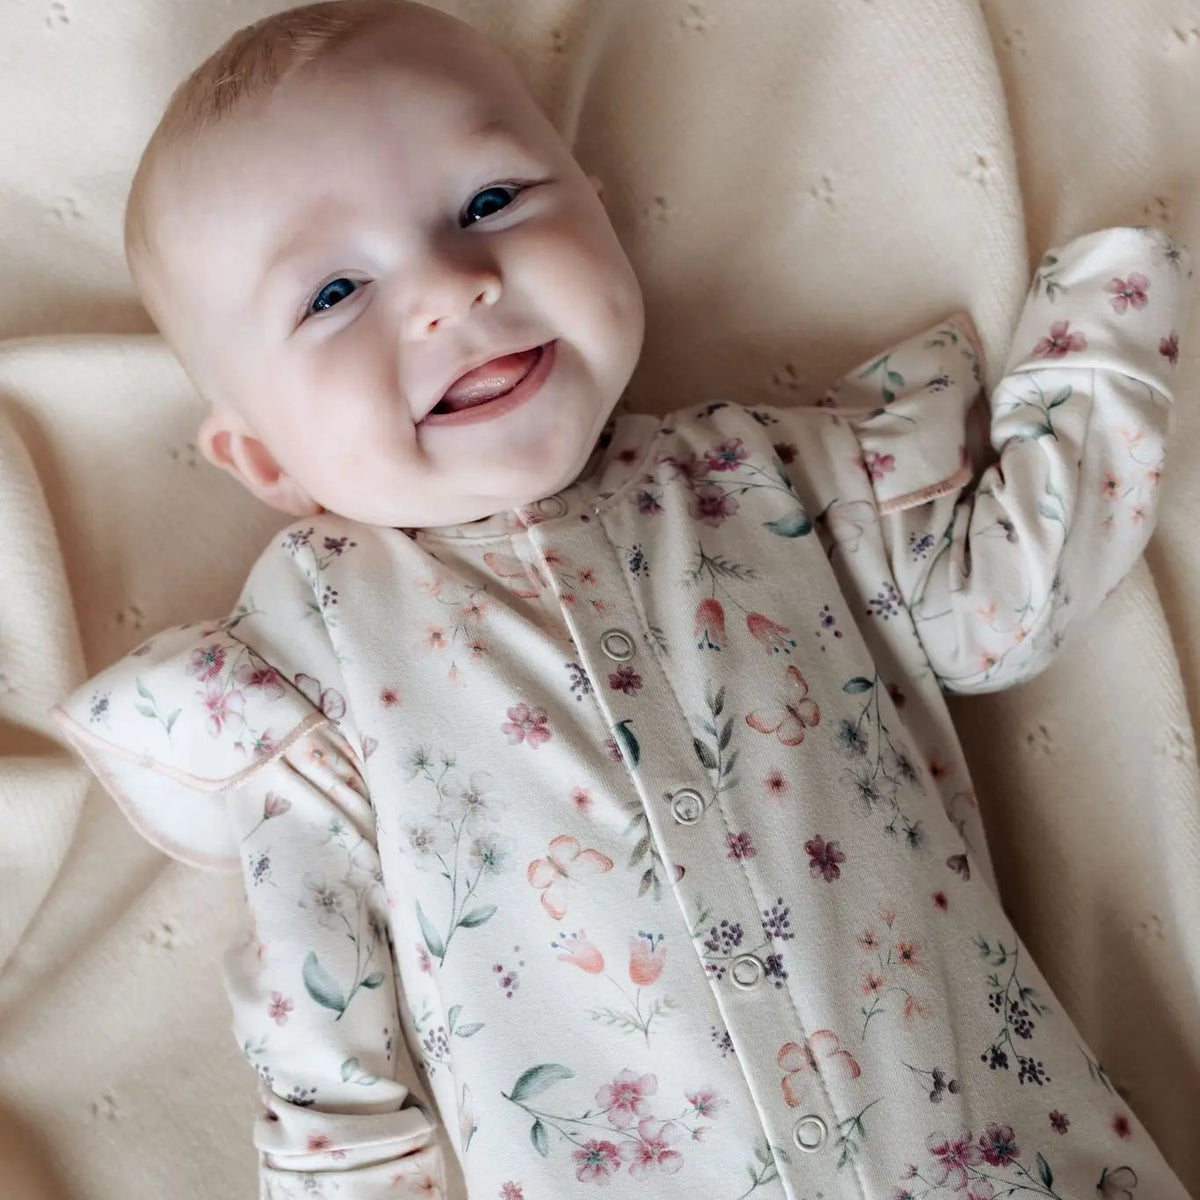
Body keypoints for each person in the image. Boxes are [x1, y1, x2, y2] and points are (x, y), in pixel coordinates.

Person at [49, 2, 1195, 1197]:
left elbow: (994, 606)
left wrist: (1101, 342)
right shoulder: (317, 649)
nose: (451, 286)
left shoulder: (766, 473)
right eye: (334, 291)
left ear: (600, 216)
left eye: (490, 201)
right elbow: (319, 1015)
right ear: (264, 460)